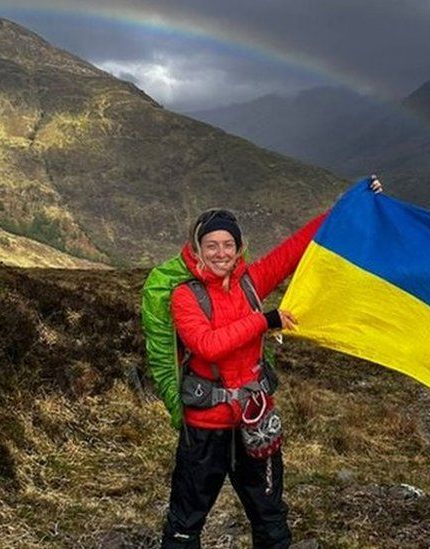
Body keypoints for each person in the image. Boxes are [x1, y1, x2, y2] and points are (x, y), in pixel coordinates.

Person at [162, 177, 383, 548]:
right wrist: (265, 320)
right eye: (211, 245)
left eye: (228, 245)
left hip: (256, 421)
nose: (220, 253)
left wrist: (347, 206)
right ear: (196, 250)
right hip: (205, 428)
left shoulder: (252, 281)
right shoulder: (185, 296)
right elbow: (207, 346)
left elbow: (296, 248)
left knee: (271, 518)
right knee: (185, 522)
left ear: (238, 248)